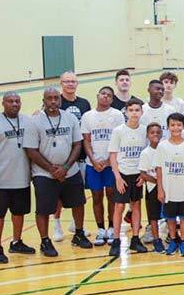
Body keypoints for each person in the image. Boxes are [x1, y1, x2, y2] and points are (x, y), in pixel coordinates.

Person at [24, 88, 92, 257]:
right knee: (43, 209)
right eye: (49, 98)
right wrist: (51, 169)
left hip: (70, 171)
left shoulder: (70, 118)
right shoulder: (34, 121)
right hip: (44, 174)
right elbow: (31, 150)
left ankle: (78, 233)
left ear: (60, 100)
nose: (53, 101)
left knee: (78, 203)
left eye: (56, 98)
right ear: (44, 101)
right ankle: (45, 241)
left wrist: (66, 168)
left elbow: (77, 144)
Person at [0, 92, 35, 263]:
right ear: (3, 103)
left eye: (17, 101)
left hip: (22, 178)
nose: (14, 104)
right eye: (10, 101)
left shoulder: (27, 121)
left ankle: (16, 242)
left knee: (19, 213)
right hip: (0, 180)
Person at [81, 86, 125, 245]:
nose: (106, 96)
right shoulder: (87, 116)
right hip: (93, 165)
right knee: (97, 196)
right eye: (103, 93)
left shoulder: (117, 115)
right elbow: (86, 140)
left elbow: (120, 140)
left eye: (109, 95)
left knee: (112, 195)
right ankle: (100, 229)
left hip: (111, 164)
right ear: (97, 95)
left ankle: (112, 227)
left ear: (112, 99)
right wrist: (93, 160)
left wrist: (108, 161)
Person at [52, 71, 91, 242]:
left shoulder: (84, 103)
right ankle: (56, 224)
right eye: (66, 81)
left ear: (77, 84)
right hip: (61, 158)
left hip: (80, 155)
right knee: (59, 195)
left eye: (73, 81)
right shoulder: (55, 102)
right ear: (61, 83)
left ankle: (76, 224)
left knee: (78, 194)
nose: (70, 84)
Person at [107, 98, 148, 256]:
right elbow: (113, 155)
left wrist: (144, 175)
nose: (134, 113)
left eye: (137, 110)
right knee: (119, 207)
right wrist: (117, 177)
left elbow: (147, 154)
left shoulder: (144, 130)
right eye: (131, 110)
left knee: (136, 206)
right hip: (122, 174)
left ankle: (135, 239)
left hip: (137, 174)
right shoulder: (119, 131)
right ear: (126, 112)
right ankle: (116, 240)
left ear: (142, 112)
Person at [157, 113, 184, 257]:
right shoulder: (162, 146)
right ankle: (173, 240)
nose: (176, 128)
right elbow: (159, 169)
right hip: (169, 189)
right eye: (172, 125)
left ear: (183, 126)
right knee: (171, 217)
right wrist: (160, 189)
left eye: (179, 125)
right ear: (168, 127)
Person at [139, 123, 165, 253]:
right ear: (147, 135)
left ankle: (172, 236)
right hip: (152, 187)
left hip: (167, 186)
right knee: (153, 216)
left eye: (158, 132)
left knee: (169, 213)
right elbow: (143, 173)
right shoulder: (145, 153)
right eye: (152, 132)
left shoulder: (165, 149)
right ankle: (156, 239)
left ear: (161, 134)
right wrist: (157, 182)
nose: (155, 134)